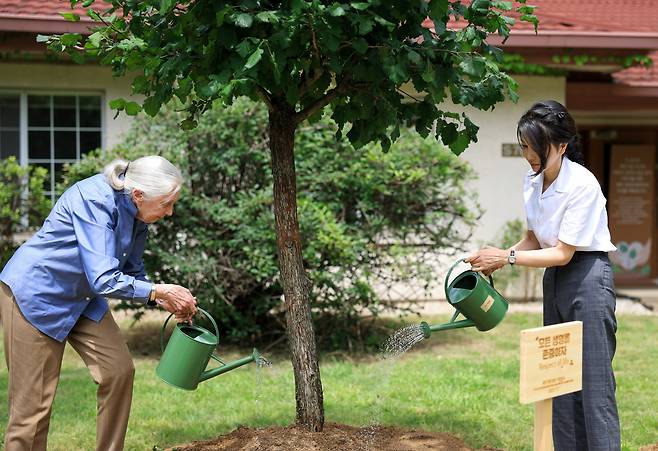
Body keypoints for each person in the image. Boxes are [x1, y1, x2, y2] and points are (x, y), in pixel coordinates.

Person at [0, 156, 198, 451]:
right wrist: (160, 290)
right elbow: (105, 279)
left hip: (82, 299)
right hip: (38, 294)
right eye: (167, 203)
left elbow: (131, 270)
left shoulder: (139, 214)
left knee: (118, 371)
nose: (170, 212)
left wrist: (162, 300)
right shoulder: (93, 199)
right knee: (33, 410)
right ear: (139, 195)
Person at [466, 100, 620, 450]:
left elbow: (565, 252)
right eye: (524, 145)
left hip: (588, 278)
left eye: (537, 146)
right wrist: (498, 258)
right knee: (560, 380)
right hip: (555, 279)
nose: (529, 154)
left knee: (594, 386)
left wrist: (507, 256)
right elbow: (536, 237)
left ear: (562, 145)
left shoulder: (582, 184)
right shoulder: (532, 181)